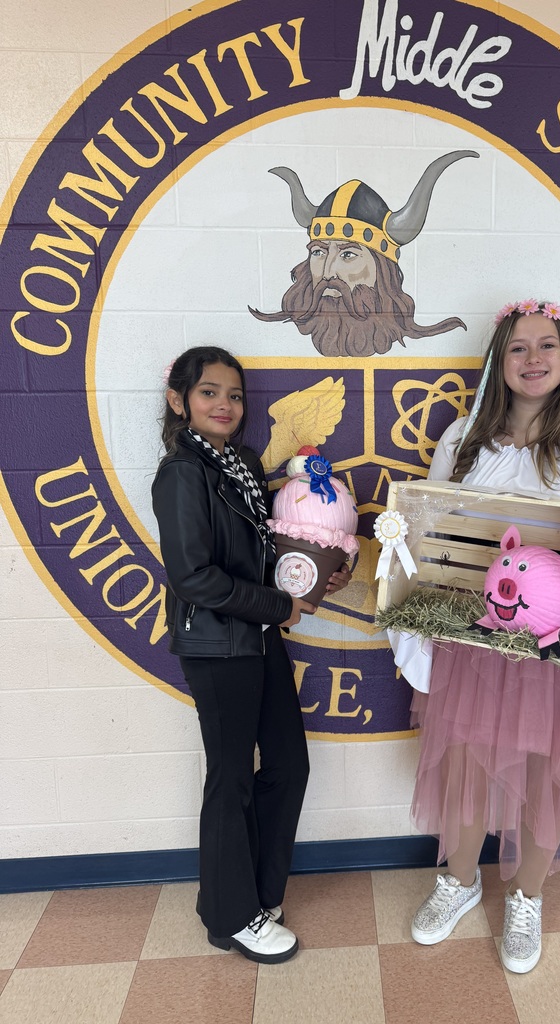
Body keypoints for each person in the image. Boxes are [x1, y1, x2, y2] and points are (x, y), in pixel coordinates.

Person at [404, 300, 560, 973]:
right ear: (499, 361)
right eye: (518, 348)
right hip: (476, 640)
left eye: (547, 346)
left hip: (558, 650)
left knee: (551, 768)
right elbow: (432, 526)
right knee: (461, 758)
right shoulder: (461, 439)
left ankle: (527, 894)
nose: (533, 359)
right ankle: (458, 882)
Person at [152, 345, 349, 964]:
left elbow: (260, 558)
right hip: (216, 645)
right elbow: (194, 578)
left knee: (288, 765)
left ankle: (257, 896)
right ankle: (230, 915)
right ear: (178, 401)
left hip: (256, 637)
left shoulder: (237, 464)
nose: (225, 405)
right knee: (231, 778)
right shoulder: (183, 473)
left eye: (234, 395)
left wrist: (310, 579)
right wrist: (276, 607)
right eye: (210, 392)